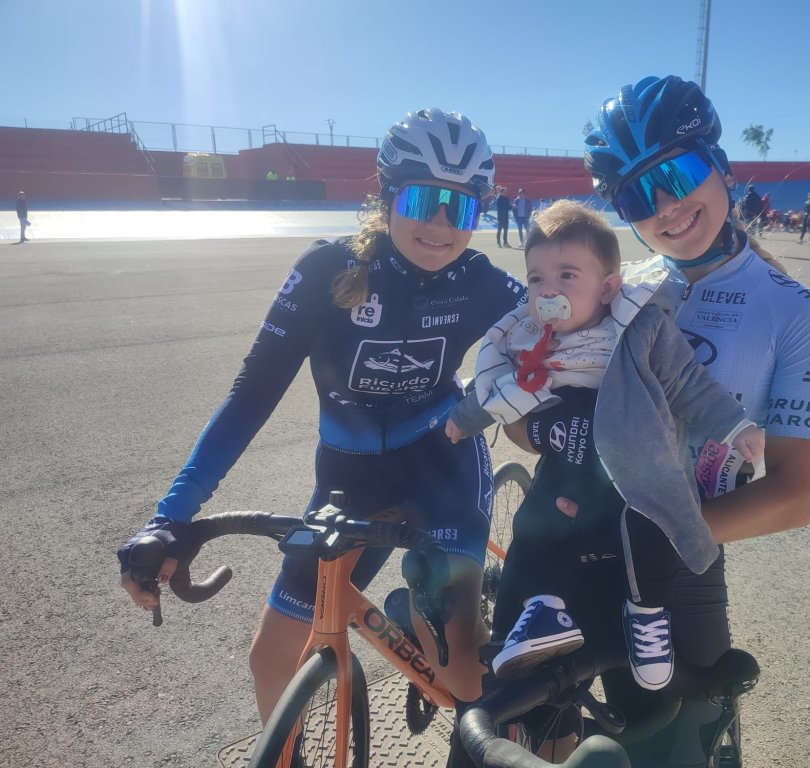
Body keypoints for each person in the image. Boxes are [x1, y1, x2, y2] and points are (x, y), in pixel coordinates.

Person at [117, 108, 527, 724]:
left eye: (462, 207)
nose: (441, 224)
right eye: (423, 200)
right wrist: (170, 516)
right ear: (388, 196)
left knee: (459, 671)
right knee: (271, 659)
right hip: (349, 477)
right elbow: (251, 395)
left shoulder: (481, 281)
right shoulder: (327, 270)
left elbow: (570, 321)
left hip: (441, 463)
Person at [492, 75, 810, 762]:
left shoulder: (800, 313)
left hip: (672, 580)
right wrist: (544, 430)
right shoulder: (619, 286)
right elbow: (525, 413)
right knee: (533, 745)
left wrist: (652, 541)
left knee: (666, 754)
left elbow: (797, 496)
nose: (666, 207)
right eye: (636, 195)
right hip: (565, 552)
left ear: (719, 163)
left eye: (676, 174)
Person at [445, 200, 764, 690]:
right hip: (570, 467)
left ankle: (647, 615)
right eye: (536, 279)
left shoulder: (638, 328)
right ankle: (544, 608)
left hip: (637, 466)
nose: (548, 290)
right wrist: (461, 422)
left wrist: (735, 427)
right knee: (535, 524)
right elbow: (498, 389)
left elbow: (686, 382)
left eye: (567, 276)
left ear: (608, 287)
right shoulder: (532, 340)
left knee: (648, 527)